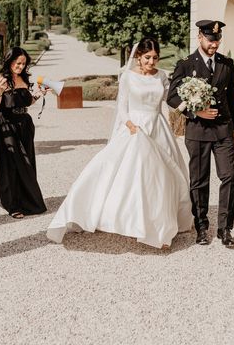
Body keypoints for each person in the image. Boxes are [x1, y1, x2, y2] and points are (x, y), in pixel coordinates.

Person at [48, 38, 192, 248]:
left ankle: (161, 224)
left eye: (155, 58)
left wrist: (190, 99)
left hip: (158, 127)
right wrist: (131, 125)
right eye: (147, 58)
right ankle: (132, 220)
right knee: (131, 175)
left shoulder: (161, 76)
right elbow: (122, 108)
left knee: (163, 176)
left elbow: (170, 101)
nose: (151, 62)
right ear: (138, 57)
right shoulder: (127, 77)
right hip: (134, 128)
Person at [168, 20, 234, 248]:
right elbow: (172, 97)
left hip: (222, 131)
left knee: (229, 176)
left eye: (217, 40)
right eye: (211, 40)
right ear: (200, 37)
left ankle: (224, 228)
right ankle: (201, 226)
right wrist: (195, 111)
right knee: (199, 181)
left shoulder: (227, 64)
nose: (215, 44)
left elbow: (230, 98)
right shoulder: (186, 64)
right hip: (198, 131)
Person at [0, 47, 47, 219]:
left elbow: (27, 101)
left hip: (24, 124)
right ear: (10, 61)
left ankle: (27, 201)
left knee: (27, 161)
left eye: (23, 63)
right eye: (18, 63)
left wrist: (38, 95)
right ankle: (12, 204)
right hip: (6, 124)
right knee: (11, 164)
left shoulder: (23, 78)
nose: (21, 66)